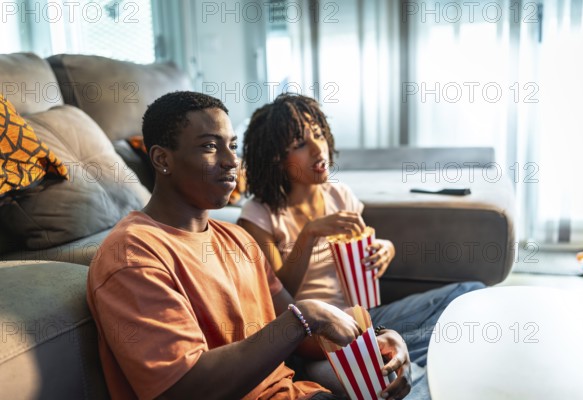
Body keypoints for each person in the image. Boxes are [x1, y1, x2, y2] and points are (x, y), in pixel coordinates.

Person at [86, 91, 414, 400]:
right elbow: (182, 388)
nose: (232, 161)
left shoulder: (237, 240)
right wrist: (305, 316)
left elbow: (302, 339)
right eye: (210, 147)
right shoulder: (133, 254)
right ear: (162, 159)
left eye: (232, 145)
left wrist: (378, 338)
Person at [238, 93, 485, 396]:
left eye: (318, 135)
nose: (319, 149)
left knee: (470, 295)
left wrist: (385, 248)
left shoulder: (338, 194)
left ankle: (403, 357)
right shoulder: (259, 215)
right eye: (300, 144)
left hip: (369, 317)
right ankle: (406, 364)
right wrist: (310, 233)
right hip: (320, 341)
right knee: (394, 378)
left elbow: (362, 245)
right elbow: (277, 296)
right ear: (277, 157)